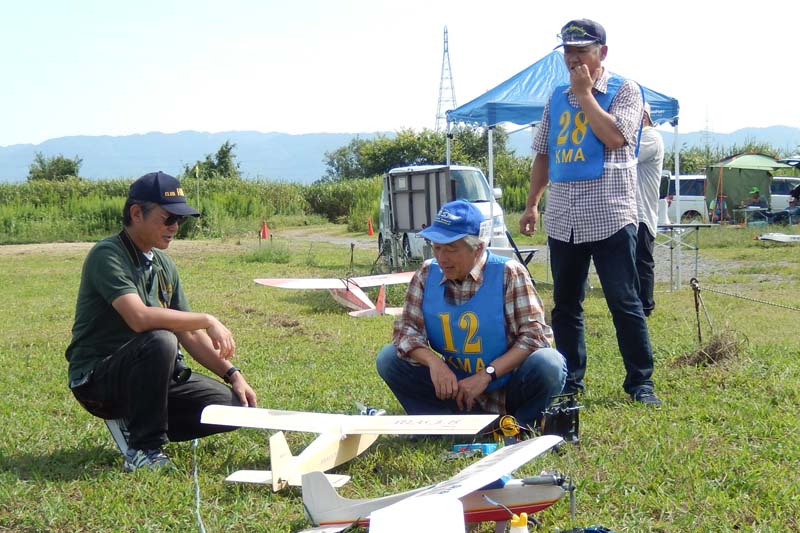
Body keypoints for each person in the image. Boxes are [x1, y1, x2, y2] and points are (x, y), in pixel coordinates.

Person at [66, 171, 258, 472]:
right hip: (96, 380)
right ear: (136, 213)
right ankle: (143, 449)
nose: (175, 227)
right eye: (168, 218)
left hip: (151, 377)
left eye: (179, 220)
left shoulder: (164, 264)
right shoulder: (108, 255)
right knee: (161, 339)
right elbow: (139, 318)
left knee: (233, 409)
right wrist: (208, 318)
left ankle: (137, 422)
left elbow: (190, 335)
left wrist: (233, 374)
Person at [518, 18, 662, 405]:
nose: (573, 58)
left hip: (610, 215)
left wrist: (585, 95)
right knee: (565, 306)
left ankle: (640, 383)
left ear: (603, 52)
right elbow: (543, 154)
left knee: (624, 302)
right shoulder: (555, 97)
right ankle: (569, 383)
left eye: (582, 50)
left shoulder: (625, 90)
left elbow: (616, 137)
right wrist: (532, 204)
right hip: (563, 218)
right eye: (568, 51)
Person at [376, 200, 566, 431]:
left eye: (451, 249)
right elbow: (406, 332)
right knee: (389, 359)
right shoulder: (427, 273)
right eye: (437, 248)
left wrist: (486, 375)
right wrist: (434, 363)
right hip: (454, 389)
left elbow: (535, 336)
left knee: (549, 363)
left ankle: (520, 427)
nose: (442, 258)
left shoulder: (509, 273)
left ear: (478, 248)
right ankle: (441, 425)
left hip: (508, 389)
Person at [635, 102, 664, 317]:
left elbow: (627, 154)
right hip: (631, 212)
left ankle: (645, 306)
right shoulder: (641, 137)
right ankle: (635, 305)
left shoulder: (650, 137)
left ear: (643, 116)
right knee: (630, 263)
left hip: (642, 212)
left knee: (642, 262)